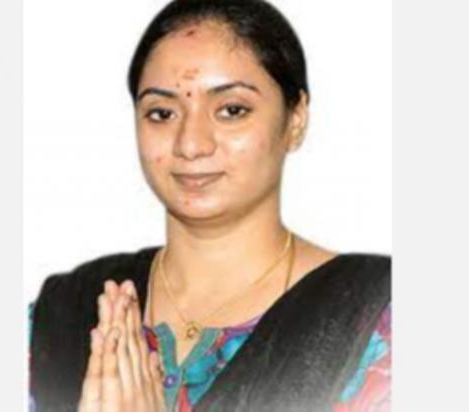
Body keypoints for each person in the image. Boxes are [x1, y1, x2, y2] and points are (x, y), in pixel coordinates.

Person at [29, 1, 391, 411]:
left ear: (296, 119)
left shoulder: (375, 320)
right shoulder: (61, 318)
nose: (191, 144)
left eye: (232, 111)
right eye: (162, 113)